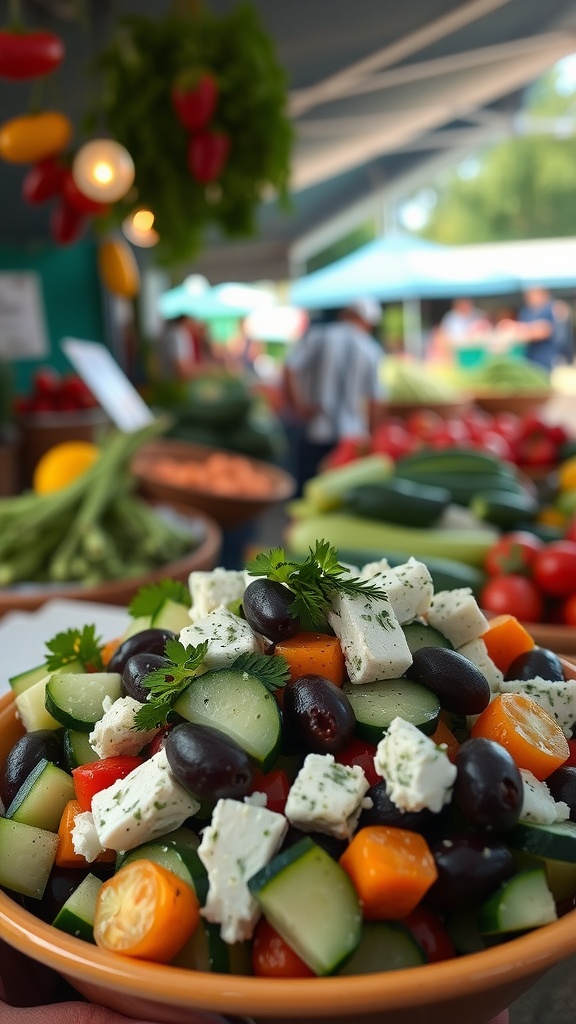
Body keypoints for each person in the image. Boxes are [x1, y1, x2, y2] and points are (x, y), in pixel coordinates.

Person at [281, 297, 385, 492]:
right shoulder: (371, 349)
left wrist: (298, 406)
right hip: (352, 435)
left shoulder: (318, 336)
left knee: (307, 491)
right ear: (367, 322)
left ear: (345, 314)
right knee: (339, 495)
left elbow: (289, 369)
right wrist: (372, 437)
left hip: (315, 430)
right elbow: (375, 401)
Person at [516, 286, 562, 372]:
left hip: (544, 356)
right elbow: (520, 331)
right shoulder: (526, 311)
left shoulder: (549, 308)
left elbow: (546, 330)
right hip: (528, 356)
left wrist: (527, 331)